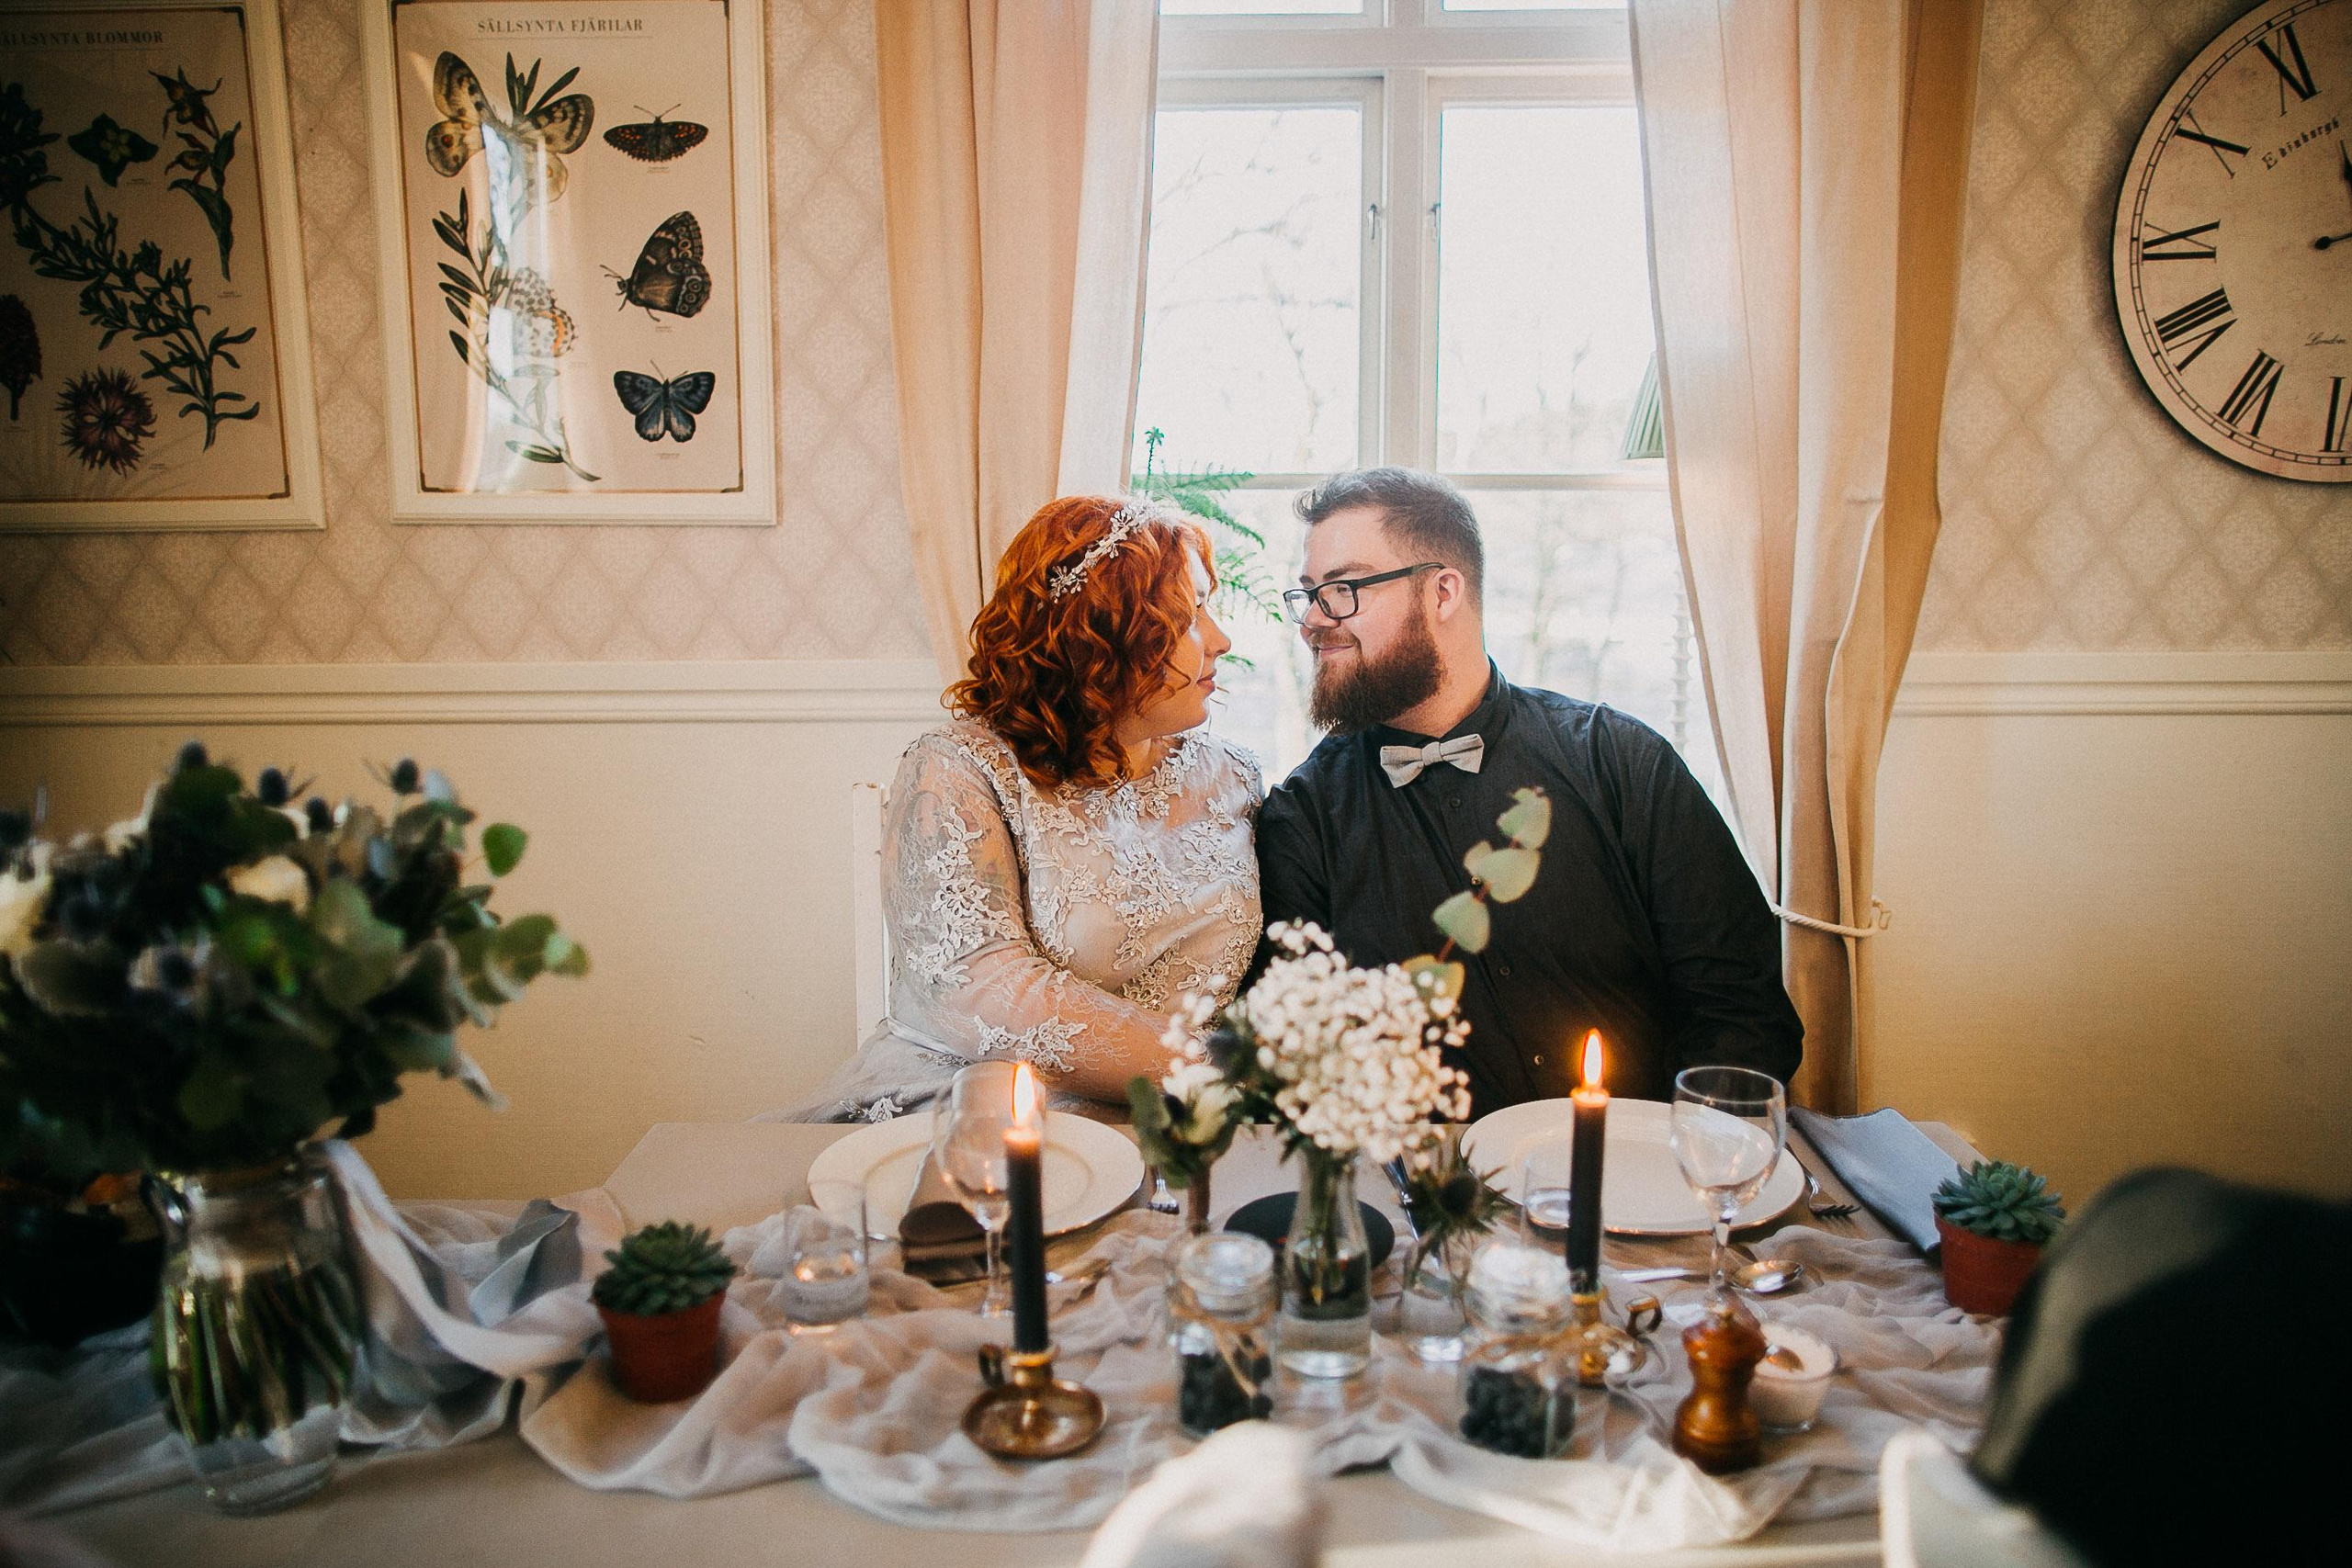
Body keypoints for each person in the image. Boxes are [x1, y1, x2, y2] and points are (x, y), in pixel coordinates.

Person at [1255, 468, 1800, 1111]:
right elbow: (1298, 1061)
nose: (1314, 621)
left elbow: (1744, 1016)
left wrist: (1673, 1170)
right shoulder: (1304, 818)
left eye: (1343, 588)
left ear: (1443, 592)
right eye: (1310, 594)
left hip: (1647, 1179)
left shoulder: (1623, 763)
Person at [782, 494, 1261, 1122]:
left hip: (1183, 1132)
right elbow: (980, 988)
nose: (1221, 639)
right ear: (1099, 637)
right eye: (1190, 614)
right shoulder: (959, 771)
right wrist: (1213, 1073)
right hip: (973, 1112)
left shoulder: (1234, 776)